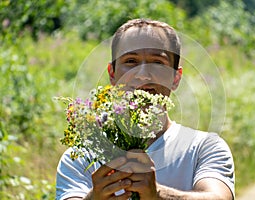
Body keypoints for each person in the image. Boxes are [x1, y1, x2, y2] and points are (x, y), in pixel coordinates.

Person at [56, 18, 235, 200]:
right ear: (112, 74)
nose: (143, 75)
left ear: (175, 78)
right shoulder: (80, 158)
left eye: (157, 63)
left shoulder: (204, 148)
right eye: (131, 61)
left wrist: (157, 194)